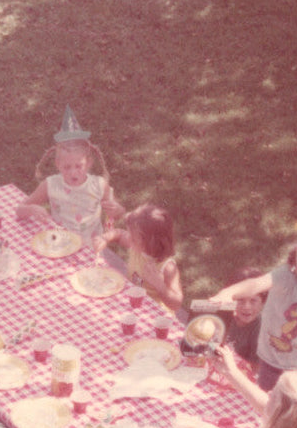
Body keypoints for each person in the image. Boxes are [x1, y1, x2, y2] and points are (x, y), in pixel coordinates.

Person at [210, 190, 297, 390]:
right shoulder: (285, 277)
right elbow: (256, 284)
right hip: (271, 364)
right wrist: (228, 293)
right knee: (266, 408)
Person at [15, 105, 126, 238]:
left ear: (89, 163)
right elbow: (19, 210)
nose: (73, 173)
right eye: (67, 167)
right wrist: (30, 210)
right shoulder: (50, 185)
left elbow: (118, 213)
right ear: (58, 164)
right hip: (61, 244)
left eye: (79, 166)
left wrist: (118, 210)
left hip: (91, 248)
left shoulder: (99, 185)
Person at [95, 202, 183, 313]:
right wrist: (105, 238)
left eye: (133, 238)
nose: (129, 238)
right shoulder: (138, 248)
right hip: (133, 304)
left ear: (149, 242)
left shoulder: (168, 267)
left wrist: (159, 284)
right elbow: (119, 234)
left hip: (155, 314)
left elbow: (176, 304)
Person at [224, 265, 267, 372]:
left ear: (263, 302)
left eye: (253, 301)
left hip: (240, 375)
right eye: (240, 300)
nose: (246, 307)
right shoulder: (223, 316)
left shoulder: (261, 330)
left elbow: (255, 368)